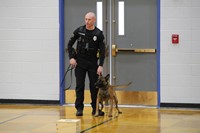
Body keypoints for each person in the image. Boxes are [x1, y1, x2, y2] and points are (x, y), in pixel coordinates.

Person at [67, 12, 106, 116]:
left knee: (94, 87)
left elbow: (103, 51)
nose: (87, 21)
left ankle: (95, 109)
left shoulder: (98, 34)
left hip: (93, 63)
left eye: (89, 19)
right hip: (80, 62)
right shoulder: (79, 31)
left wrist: (101, 65)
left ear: (94, 20)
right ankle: (79, 108)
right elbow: (69, 45)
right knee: (79, 86)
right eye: (86, 19)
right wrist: (71, 58)